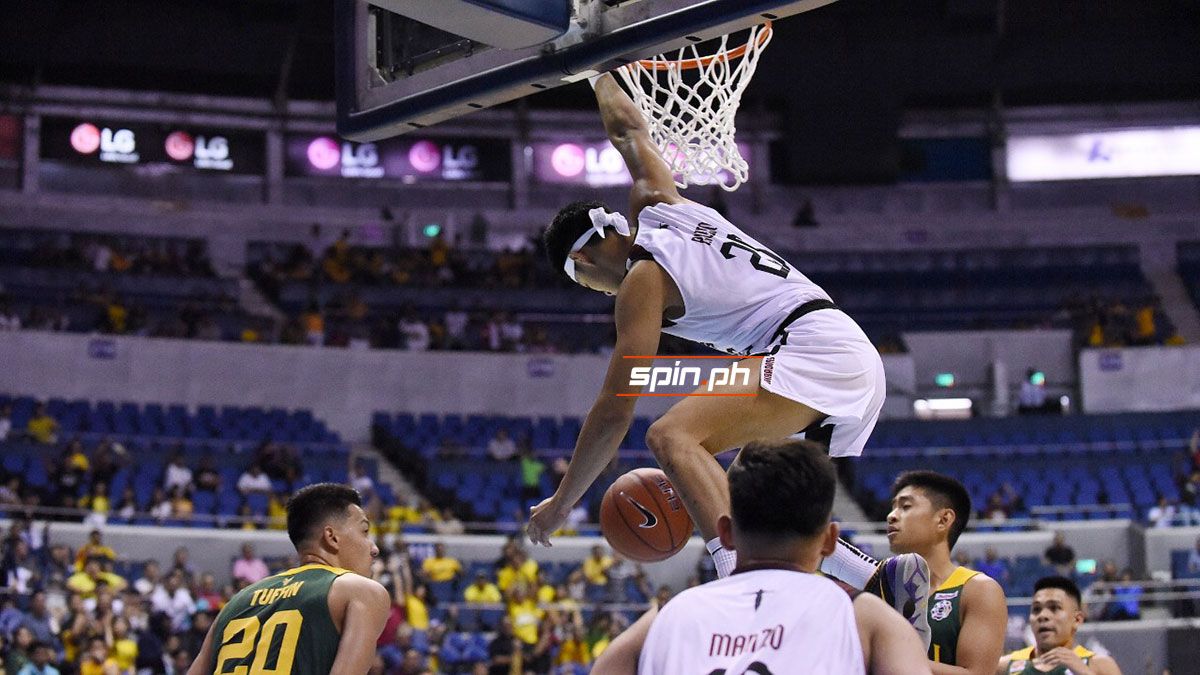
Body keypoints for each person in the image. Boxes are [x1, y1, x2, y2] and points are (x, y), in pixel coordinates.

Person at [528, 69, 920, 625]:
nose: (595, 289)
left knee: (669, 434)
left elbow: (617, 408)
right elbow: (629, 132)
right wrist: (599, 71)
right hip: (832, 346)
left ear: (585, 261)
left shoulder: (640, 281)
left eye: (584, 282)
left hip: (806, 351)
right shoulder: (659, 202)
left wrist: (562, 503)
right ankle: (876, 577)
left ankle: (739, 572)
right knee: (743, 485)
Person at [590, 439, 929, 675]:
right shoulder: (865, 619)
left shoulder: (664, 618)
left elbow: (606, 667)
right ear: (829, 541)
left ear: (724, 533)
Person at [186, 483, 390, 675]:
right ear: (332, 537)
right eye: (364, 532)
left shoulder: (235, 604)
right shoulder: (360, 591)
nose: (374, 548)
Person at [886, 471, 1008, 674]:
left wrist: (894, 658)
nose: (891, 516)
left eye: (905, 506)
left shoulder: (978, 590)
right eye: (892, 508)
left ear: (943, 519)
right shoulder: (882, 587)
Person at [996, 576, 1121, 675]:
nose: (1042, 616)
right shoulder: (1005, 666)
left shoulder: (1100, 665)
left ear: (1077, 619)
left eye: (1054, 608)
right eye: (1036, 609)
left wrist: (1084, 672)